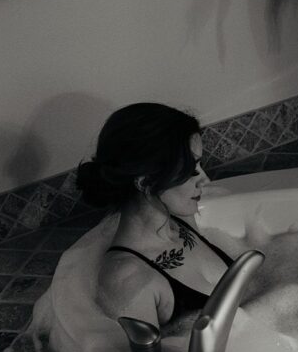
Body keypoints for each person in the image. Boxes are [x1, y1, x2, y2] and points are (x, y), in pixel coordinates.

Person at [75, 103, 244, 329]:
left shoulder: (182, 221)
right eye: (192, 170)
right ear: (146, 182)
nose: (205, 180)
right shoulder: (127, 279)